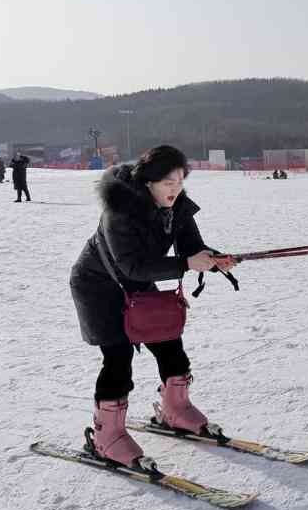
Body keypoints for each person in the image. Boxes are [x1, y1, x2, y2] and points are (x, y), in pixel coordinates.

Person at [69, 145, 236, 467]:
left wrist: (213, 259)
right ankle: (106, 437)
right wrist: (188, 262)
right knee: (118, 356)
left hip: (136, 281)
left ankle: (176, 410)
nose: (174, 189)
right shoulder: (120, 211)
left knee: (169, 344)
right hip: (98, 286)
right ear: (148, 182)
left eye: (179, 181)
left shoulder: (178, 208)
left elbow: (192, 248)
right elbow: (131, 265)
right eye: (167, 183)